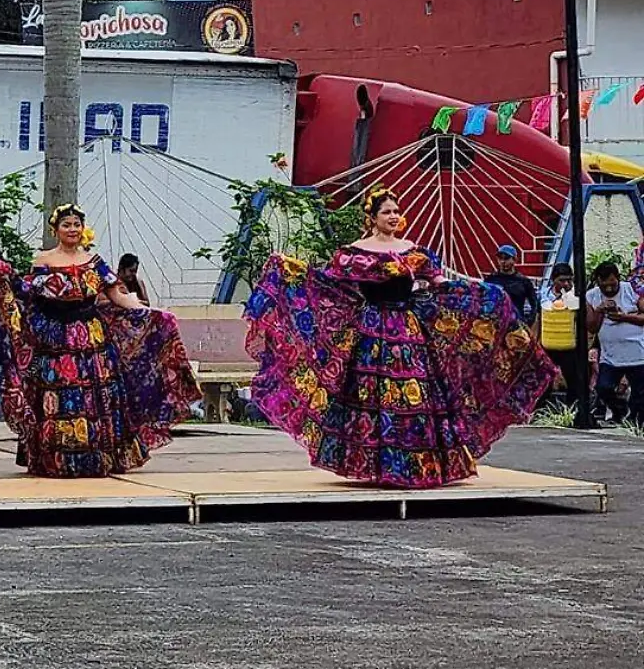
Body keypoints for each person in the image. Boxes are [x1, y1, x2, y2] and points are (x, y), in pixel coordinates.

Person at [243, 187, 556, 487]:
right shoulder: (354, 254)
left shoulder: (413, 252)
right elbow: (328, 285)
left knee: (414, 394)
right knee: (370, 396)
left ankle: (416, 465)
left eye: (397, 211)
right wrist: (289, 271)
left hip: (407, 331)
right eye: (387, 212)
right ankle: (374, 465)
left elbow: (438, 283)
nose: (394, 216)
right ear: (373, 217)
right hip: (369, 331)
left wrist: (480, 294)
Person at [0, 205, 198, 477]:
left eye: (76, 224)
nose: (72, 229)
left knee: (96, 399)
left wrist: (149, 313)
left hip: (91, 337)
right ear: (56, 230)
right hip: (55, 339)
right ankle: (55, 461)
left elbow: (115, 294)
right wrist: (4, 278)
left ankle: (96, 460)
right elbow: (31, 296)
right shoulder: (44, 261)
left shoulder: (95, 262)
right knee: (57, 397)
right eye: (66, 225)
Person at [591, 260, 644, 424]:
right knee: (603, 387)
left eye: (613, 285)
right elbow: (591, 327)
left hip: (637, 353)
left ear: (618, 279)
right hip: (610, 355)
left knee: (640, 394)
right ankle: (619, 410)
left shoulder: (632, 290)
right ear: (598, 282)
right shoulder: (591, 296)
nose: (609, 289)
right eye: (604, 286)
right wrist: (599, 310)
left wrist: (624, 317)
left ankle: (635, 423)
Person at [540, 263, 589, 408]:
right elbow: (538, 318)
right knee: (544, 380)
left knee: (573, 380)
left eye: (569, 280)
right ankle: (541, 411)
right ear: (554, 280)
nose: (566, 284)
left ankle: (573, 411)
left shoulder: (576, 296)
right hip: (548, 344)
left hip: (569, 346)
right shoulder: (543, 295)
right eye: (562, 280)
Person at [483, 244, 540, 326]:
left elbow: (534, 304)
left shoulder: (523, 281)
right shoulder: (491, 280)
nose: (503, 261)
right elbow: (482, 300)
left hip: (515, 325)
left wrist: (528, 322)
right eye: (500, 258)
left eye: (506, 258)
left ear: (515, 260)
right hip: (495, 325)